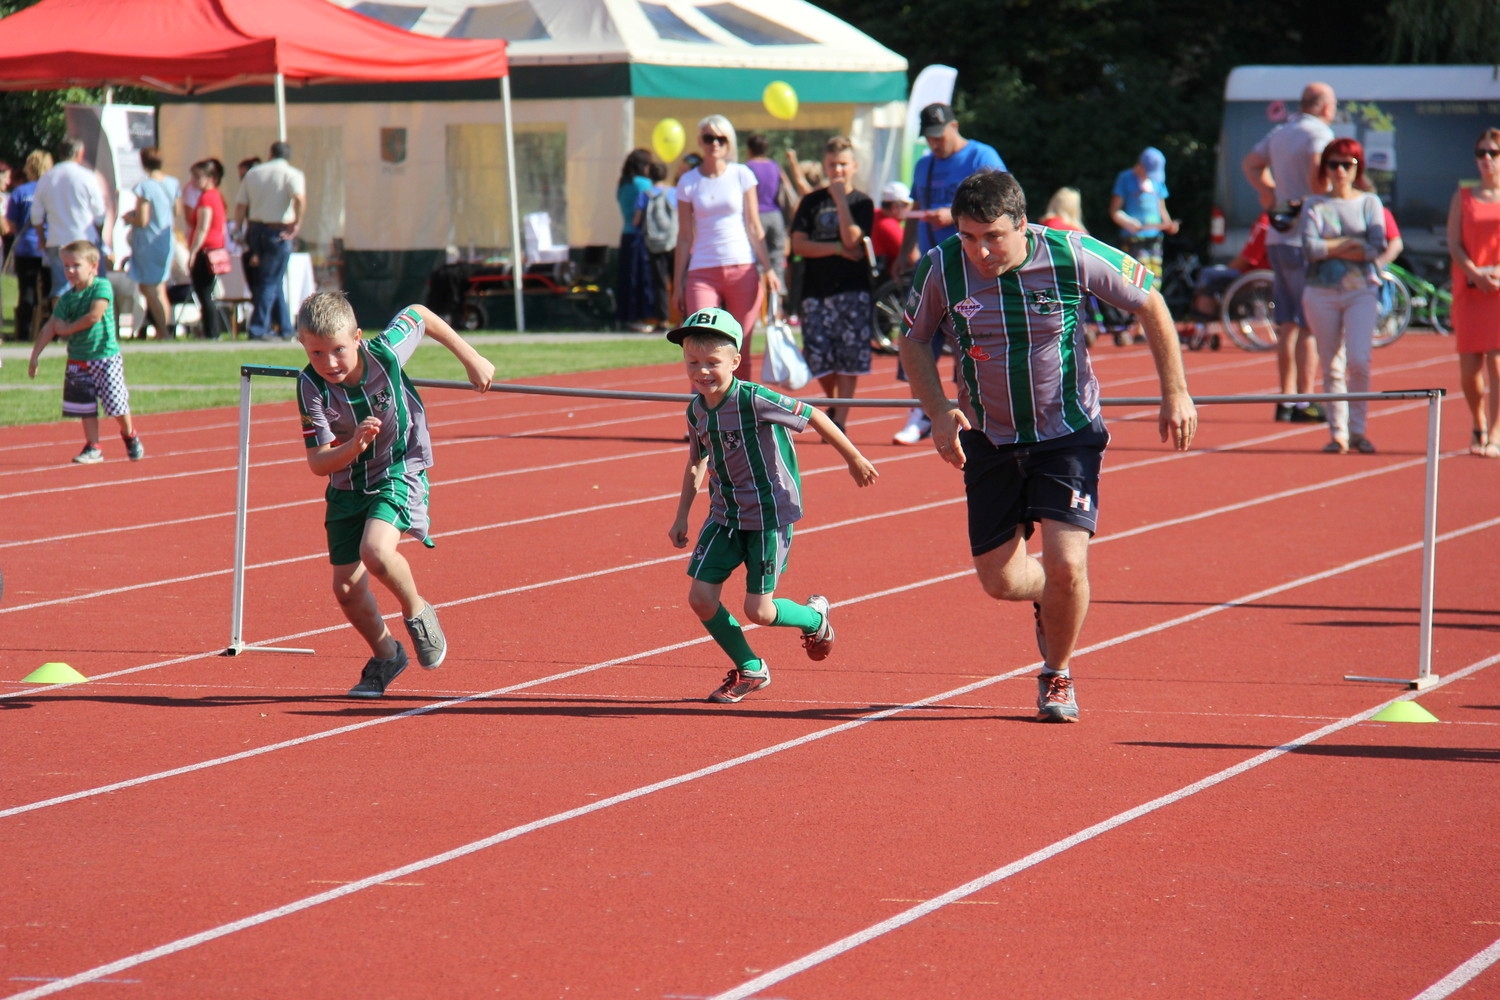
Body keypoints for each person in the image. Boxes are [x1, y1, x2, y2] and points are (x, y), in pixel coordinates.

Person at [898, 170, 1196, 723]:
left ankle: (1056, 673)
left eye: (993, 236)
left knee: (1066, 564)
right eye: (968, 237)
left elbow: (1150, 301)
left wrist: (1175, 392)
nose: (981, 251)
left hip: (1067, 433)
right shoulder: (942, 266)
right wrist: (938, 409)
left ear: (1022, 224)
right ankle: (1048, 598)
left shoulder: (1070, 253)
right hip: (988, 438)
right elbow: (914, 339)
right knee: (1001, 581)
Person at [665, 307, 877, 703]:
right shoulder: (696, 410)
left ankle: (815, 618)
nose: (702, 371)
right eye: (692, 362)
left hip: (768, 514)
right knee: (700, 598)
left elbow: (813, 415)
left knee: (758, 611)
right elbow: (697, 461)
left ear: (735, 362)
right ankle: (751, 668)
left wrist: (854, 457)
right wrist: (681, 515)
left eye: (712, 362)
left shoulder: (753, 399)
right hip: (724, 515)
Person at [294, 293, 495, 697]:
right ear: (303, 346)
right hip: (347, 486)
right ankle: (387, 655)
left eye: (339, 350)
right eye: (317, 353)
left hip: (398, 470)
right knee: (347, 590)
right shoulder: (309, 386)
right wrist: (353, 447)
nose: (330, 363)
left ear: (358, 338)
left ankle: (417, 612)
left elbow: (420, 313)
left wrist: (471, 358)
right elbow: (318, 462)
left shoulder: (385, 353)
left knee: (377, 551)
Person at [892, 103, 1006, 445]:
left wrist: (956, 218)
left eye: (939, 136)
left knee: (970, 340)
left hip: (974, 263)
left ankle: (975, 409)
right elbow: (915, 209)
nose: (934, 144)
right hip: (933, 265)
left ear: (955, 126)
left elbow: (1003, 205)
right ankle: (923, 409)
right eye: (928, 138)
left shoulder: (981, 156)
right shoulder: (924, 165)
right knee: (916, 335)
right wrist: (903, 251)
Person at [1242, 82, 1338, 423]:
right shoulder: (1320, 134)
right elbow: (1317, 179)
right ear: (1326, 107)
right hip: (1305, 237)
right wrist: (1326, 193)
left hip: (1278, 237)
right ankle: (1304, 401)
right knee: (1308, 323)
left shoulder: (1280, 132)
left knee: (1286, 323)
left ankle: (1285, 399)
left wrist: (1269, 193)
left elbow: (1250, 164)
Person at [673, 115, 783, 381]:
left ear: (729, 142)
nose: (715, 144)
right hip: (702, 271)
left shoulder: (742, 174)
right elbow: (685, 235)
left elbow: (754, 227)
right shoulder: (688, 181)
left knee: (740, 346)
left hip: (742, 267)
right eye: (709, 138)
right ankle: (702, 416)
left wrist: (768, 269)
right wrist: (678, 282)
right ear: (700, 141)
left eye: (721, 138)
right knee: (700, 343)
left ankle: (740, 415)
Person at [1299, 139, 1387, 455]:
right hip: (1320, 292)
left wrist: (1332, 246)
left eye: (1346, 164)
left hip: (1361, 290)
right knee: (1331, 364)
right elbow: (1310, 249)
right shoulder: (1314, 204)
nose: (1339, 171)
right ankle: (1338, 434)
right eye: (1333, 164)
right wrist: (1350, 244)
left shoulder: (1369, 203)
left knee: (1360, 361)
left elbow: (1376, 246)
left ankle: (1359, 430)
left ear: (1357, 167)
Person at [26, 241, 144, 464]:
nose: (70, 271)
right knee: (85, 406)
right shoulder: (67, 298)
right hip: (78, 360)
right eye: (66, 266)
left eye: (76, 265)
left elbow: (94, 315)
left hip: (105, 357)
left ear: (93, 266)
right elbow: (51, 325)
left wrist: (68, 329)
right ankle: (93, 445)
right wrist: (35, 356)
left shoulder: (101, 287)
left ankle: (129, 434)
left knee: (116, 403)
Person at [789, 137, 875, 431]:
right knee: (818, 354)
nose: (837, 170)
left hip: (852, 289)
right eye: (832, 165)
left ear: (853, 166)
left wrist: (840, 201)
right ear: (825, 166)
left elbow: (854, 239)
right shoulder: (811, 202)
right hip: (815, 289)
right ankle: (835, 402)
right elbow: (799, 245)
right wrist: (837, 250)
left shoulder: (862, 202)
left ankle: (840, 418)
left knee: (849, 356)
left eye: (842, 164)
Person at [1447, 127, 1500, 458]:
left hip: (1498, 289)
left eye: (1493, 153)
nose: (1486, 160)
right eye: (1481, 153)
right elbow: (1454, 241)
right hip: (1469, 288)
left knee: (1497, 365)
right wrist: (1473, 273)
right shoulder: (1463, 196)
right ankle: (1477, 421)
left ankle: (1495, 433)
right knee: (1469, 371)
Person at [234, 141, 306, 340]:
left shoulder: (254, 173)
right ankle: (258, 328)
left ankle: (284, 327)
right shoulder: (292, 174)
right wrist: (297, 223)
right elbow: (299, 199)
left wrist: (237, 230)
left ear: (270, 153)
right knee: (269, 281)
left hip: (255, 228)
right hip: (277, 230)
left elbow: (241, 205)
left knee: (272, 280)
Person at [30, 137, 111, 303]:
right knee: (94, 286)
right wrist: (98, 235)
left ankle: (61, 325)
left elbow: (36, 215)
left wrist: (42, 238)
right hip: (85, 239)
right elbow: (99, 213)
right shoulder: (87, 176)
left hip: (57, 239)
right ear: (80, 153)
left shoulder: (47, 177)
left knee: (61, 288)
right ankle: (90, 325)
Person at [120, 147, 182, 339]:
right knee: (160, 287)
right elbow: (177, 212)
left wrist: (129, 218)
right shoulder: (173, 183)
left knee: (147, 288)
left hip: (148, 242)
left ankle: (162, 331)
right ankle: (166, 329)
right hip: (165, 240)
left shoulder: (145, 187)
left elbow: (142, 219)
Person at [1110, 147, 1179, 277]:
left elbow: (1162, 209)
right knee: (1139, 277)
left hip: (1155, 238)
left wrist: (1169, 225)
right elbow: (1115, 211)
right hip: (1134, 238)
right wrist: (1128, 222)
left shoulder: (1157, 182)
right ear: (1140, 166)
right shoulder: (1125, 178)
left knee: (1155, 276)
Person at [6, 150, 52, 341]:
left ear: (29, 168)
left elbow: (11, 224)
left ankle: (24, 334)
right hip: (50, 246)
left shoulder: (21, 192)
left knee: (27, 291)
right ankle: (50, 333)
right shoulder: (53, 191)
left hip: (26, 247)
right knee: (50, 290)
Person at [186, 158, 228, 339]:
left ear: (210, 177)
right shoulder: (216, 196)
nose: (194, 182)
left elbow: (203, 227)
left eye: (197, 177)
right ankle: (212, 330)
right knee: (207, 292)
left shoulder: (206, 198)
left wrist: (193, 252)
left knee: (204, 293)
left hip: (206, 250)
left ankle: (212, 331)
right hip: (214, 247)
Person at [615, 148, 657, 332]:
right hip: (640, 236)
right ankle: (638, 317)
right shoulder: (644, 184)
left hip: (626, 234)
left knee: (627, 278)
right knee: (640, 278)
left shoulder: (622, 184)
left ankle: (625, 316)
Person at [745, 133, 794, 293]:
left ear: (749, 149)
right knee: (777, 259)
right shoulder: (774, 165)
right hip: (775, 215)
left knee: (756, 262)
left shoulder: (747, 167)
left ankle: (759, 305)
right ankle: (778, 303)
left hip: (756, 216)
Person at [634, 157, 677, 332]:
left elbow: (637, 220)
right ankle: (684, 317)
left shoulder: (645, 195)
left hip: (653, 244)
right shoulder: (674, 193)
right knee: (678, 282)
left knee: (659, 283)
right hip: (673, 242)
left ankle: (663, 320)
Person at [872, 181, 912, 274]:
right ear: (895, 207)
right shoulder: (888, 225)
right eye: (907, 205)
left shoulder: (875, 215)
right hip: (890, 278)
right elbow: (912, 258)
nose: (910, 209)